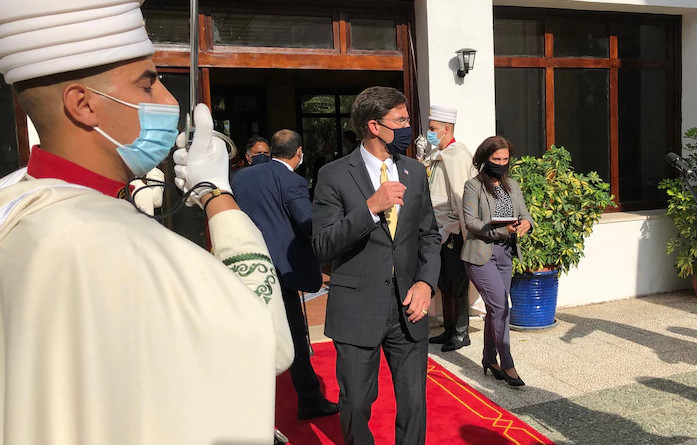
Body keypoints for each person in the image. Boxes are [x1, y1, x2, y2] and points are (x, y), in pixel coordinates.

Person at [0, 1, 294, 443]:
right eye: (149, 83)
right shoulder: (119, 243)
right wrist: (216, 193)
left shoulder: (15, 199)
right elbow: (266, 342)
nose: (169, 101)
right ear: (83, 104)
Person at [312, 86, 440, 445]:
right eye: (400, 121)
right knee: (355, 403)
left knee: (415, 402)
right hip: (357, 309)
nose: (408, 128)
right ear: (373, 125)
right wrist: (370, 208)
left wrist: (425, 284)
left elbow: (429, 234)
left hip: (409, 309)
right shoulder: (334, 175)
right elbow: (323, 243)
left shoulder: (414, 172)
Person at [231, 129, 338, 420]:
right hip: (282, 269)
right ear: (299, 152)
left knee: (251, 334)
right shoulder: (292, 180)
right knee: (293, 334)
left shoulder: (240, 177)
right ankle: (310, 398)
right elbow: (306, 223)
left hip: (248, 264)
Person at [461, 136, 533, 387]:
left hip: (506, 254)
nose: (501, 164)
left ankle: (489, 359)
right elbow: (471, 222)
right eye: (496, 159)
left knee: (496, 308)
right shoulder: (473, 186)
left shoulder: (512, 185)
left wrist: (526, 224)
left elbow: (525, 214)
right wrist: (503, 231)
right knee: (501, 306)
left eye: (505, 159)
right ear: (484, 159)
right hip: (481, 255)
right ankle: (508, 363)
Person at [422, 105, 476, 352]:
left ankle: (461, 332)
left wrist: (450, 228)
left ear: (446, 129)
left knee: (457, 284)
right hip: (436, 231)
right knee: (443, 283)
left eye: (433, 129)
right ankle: (449, 328)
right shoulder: (439, 155)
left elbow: (460, 197)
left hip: (452, 232)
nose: (429, 133)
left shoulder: (457, 155)